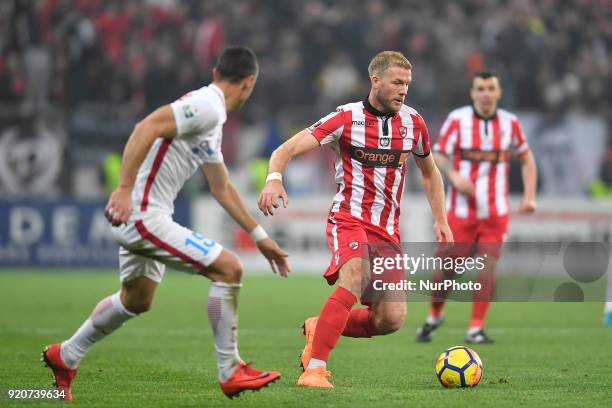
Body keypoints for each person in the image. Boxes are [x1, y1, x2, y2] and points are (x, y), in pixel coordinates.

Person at [41, 46, 289, 401]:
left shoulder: (211, 118)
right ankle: (230, 369)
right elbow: (147, 126)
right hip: (141, 214)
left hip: (147, 214)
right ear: (249, 83)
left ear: (217, 69)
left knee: (137, 299)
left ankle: (65, 355)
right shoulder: (207, 105)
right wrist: (124, 189)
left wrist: (259, 236)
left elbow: (221, 187)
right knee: (229, 269)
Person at [258, 51, 452, 388]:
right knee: (355, 275)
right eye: (397, 82)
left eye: (407, 84)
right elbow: (285, 149)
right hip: (349, 219)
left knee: (391, 320)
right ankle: (314, 369)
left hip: (387, 231)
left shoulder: (413, 122)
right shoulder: (347, 118)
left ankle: (320, 325)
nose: (403, 90)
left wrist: (442, 219)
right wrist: (274, 177)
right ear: (375, 80)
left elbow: (430, 172)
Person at [415, 69, 537, 344]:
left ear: (498, 92)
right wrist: (455, 175)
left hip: (495, 213)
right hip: (460, 212)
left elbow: (527, 158)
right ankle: (435, 315)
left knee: (488, 266)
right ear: (472, 93)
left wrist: (529, 196)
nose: (485, 93)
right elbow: (439, 155)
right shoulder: (458, 120)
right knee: (446, 270)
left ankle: (475, 328)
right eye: (480, 88)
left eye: (490, 88)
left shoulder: (510, 123)